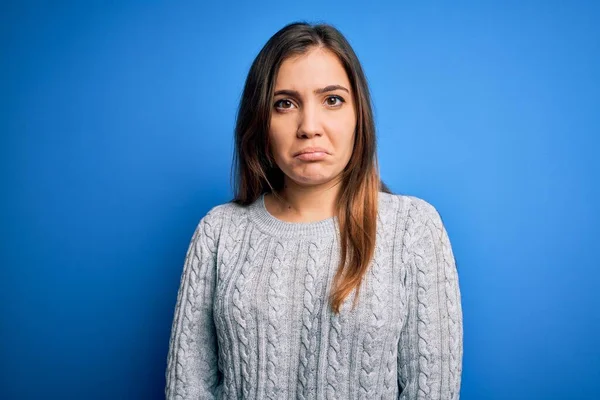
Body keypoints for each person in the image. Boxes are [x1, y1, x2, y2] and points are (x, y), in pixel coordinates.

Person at [165, 21, 463, 399]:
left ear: (359, 115)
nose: (309, 127)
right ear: (261, 120)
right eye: (284, 104)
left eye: (332, 100)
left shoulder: (413, 229)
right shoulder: (219, 232)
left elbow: (432, 392)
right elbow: (186, 388)